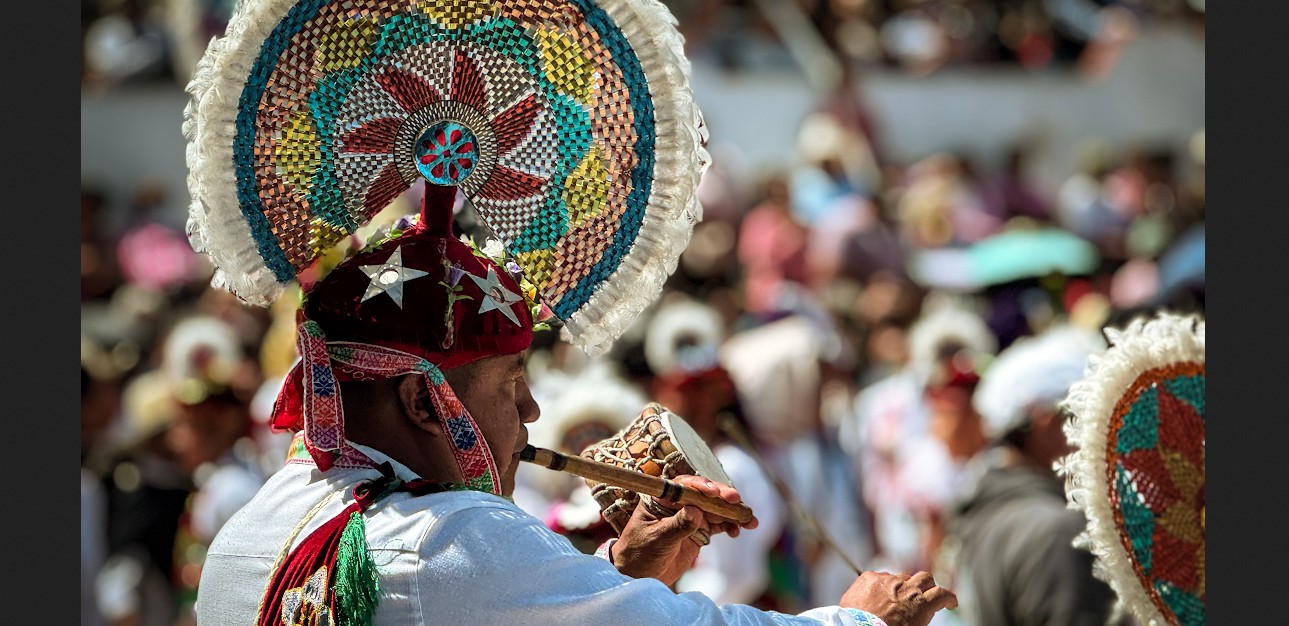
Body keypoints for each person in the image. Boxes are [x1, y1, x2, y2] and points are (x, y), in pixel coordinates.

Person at [194, 185, 957, 626]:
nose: (530, 412)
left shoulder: (253, 526)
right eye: (508, 383)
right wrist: (861, 618)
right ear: (421, 403)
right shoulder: (453, 536)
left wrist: (613, 574)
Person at [939, 325, 1122, 626]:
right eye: (1093, 414)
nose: (1106, 432)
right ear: (1047, 425)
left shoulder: (984, 506)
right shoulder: (1057, 530)